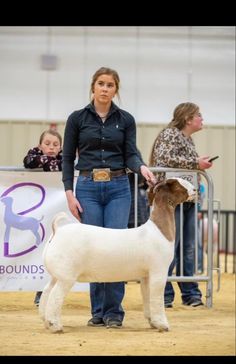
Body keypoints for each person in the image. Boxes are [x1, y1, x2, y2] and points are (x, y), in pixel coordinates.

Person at [62, 66, 156, 328]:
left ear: (116, 89)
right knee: (94, 249)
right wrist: (69, 193)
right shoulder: (77, 119)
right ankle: (98, 310)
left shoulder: (125, 119)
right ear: (93, 86)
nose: (105, 89)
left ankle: (114, 312)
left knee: (117, 250)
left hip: (118, 187)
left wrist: (142, 167)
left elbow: (131, 154)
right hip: (88, 188)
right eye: (101, 84)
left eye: (110, 85)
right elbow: (68, 158)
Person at [149, 102, 213, 307]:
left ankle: (190, 294)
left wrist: (197, 166)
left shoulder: (188, 139)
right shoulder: (169, 134)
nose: (201, 118)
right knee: (169, 246)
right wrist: (196, 164)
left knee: (189, 248)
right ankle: (165, 294)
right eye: (199, 115)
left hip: (187, 199)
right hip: (171, 200)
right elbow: (164, 158)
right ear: (188, 118)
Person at [23, 129, 63, 306]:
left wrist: (50, 162)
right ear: (40, 145)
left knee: (58, 251)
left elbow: (66, 165)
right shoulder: (33, 155)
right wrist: (48, 161)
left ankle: (55, 291)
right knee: (39, 250)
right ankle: (41, 291)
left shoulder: (65, 158)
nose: (51, 148)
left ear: (61, 147)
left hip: (60, 209)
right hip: (39, 210)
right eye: (47, 144)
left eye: (55, 145)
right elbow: (28, 162)